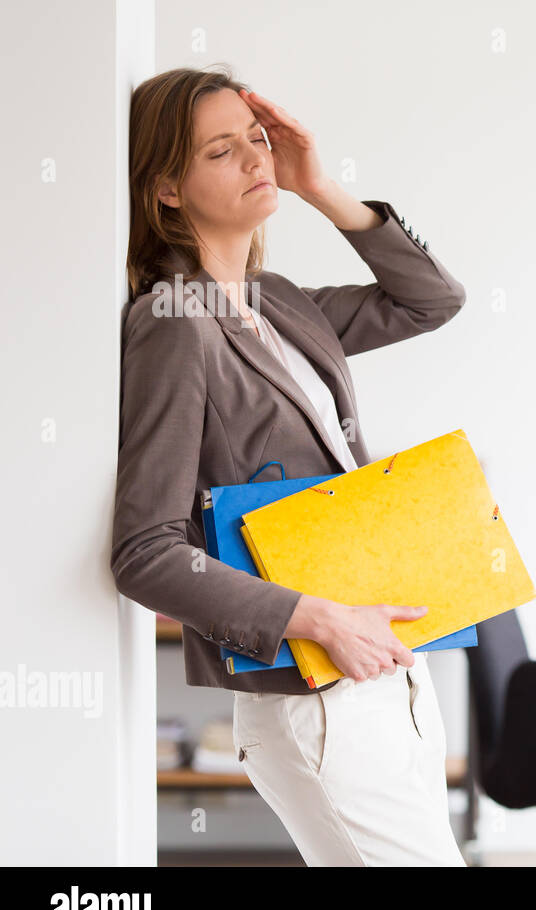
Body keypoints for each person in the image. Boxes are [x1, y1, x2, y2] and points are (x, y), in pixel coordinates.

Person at [112, 66, 468, 866]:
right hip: (314, 690)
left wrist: (318, 185)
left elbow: (432, 300)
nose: (254, 161)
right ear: (167, 189)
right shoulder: (174, 324)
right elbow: (146, 551)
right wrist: (324, 619)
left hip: (389, 676)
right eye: (220, 151)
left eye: (257, 140)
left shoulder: (279, 302)